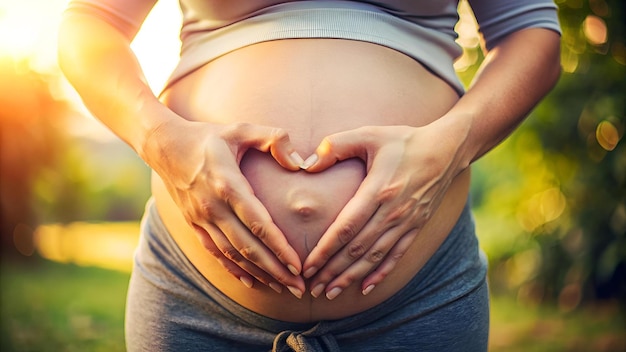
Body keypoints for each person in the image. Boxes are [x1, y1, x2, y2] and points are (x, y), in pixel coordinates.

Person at [58, 0, 562, 351]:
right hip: (197, 298)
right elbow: (90, 22)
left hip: (416, 297)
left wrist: (452, 144)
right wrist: (159, 140)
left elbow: (532, 33)